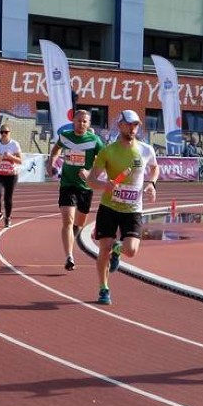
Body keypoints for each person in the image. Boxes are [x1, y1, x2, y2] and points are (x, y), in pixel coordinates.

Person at [86, 110, 159, 306]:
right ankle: (103, 289)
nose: (133, 128)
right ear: (120, 125)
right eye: (129, 124)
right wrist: (104, 185)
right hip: (109, 207)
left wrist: (151, 183)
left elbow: (154, 167)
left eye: (136, 125)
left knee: (132, 250)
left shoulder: (146, 150)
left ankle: (118, 249)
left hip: (133, 209)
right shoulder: (108, 151)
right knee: (104, 248)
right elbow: (92, 180)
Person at [46, 109, 105, 271]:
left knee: (78, 223)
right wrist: (51, 162)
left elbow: (103, 162)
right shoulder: (65, 136)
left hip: (86, 187)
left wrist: (90, 173)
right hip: (67, 184)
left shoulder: (95, 141)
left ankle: (73, 238)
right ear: (74, 121)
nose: (81, 124)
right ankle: (69, 256)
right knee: (68, 220)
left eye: (85, 121)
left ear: (89, 124)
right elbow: (56, 150)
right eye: (79, 121)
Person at [0, 124, 22, 227]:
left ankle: (8, 217)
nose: (3, 134)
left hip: (11, 175)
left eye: (6, 132)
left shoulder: (14, 144)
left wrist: (11, 156)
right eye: (2, 132)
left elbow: (20, 160)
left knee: (8, 198)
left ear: (9, 133)